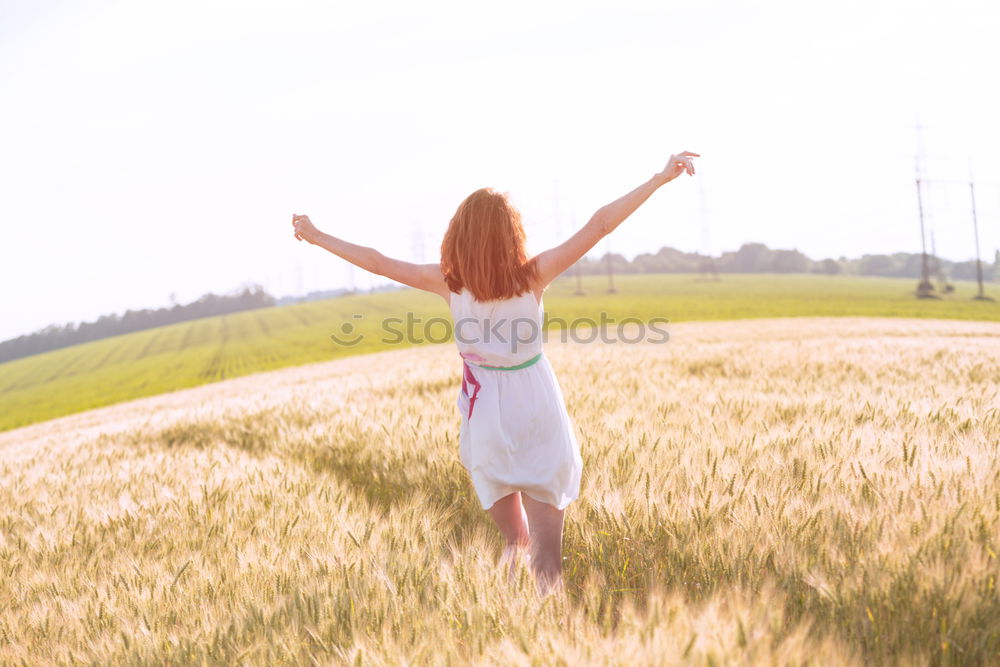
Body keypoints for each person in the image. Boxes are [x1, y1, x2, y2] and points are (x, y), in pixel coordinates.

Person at [290, 151, 699, 595]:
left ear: (457, 237)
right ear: (512, 235)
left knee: (514, 542)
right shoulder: (534, 276)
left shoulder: (449, 285)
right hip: (537, 406)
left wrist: (317, 236)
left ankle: (510, 622)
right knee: (547, 562)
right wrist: (658, 179)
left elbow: (376, 261)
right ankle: (550, 634)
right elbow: (600, 225)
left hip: (485, 415)